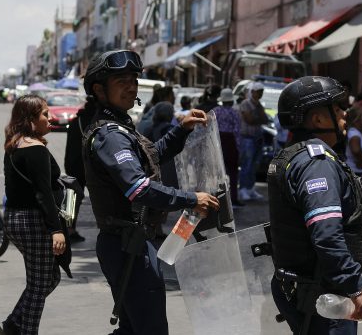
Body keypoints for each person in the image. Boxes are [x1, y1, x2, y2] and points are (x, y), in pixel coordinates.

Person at [81, 49, 219, 335]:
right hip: (127, 246)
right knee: (150, 329)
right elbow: (139, 188)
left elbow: (150, 155)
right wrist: (192, 199)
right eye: (122, 81)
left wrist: (181, 130)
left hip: (133, 242)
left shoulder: (120, 127)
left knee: (134, 329)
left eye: (133, 80)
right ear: (99, 89)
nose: (131, 87)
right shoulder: (111, 135)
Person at [268, 76, 362, 334]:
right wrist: (355, 287)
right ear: (317, 119)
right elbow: (326, 234)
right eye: (337, 109)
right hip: (324, 293)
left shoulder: (295, 154)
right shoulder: (317, 163)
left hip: (304, 285)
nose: (344, 115)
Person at [0, 95, 68, 335]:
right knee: (39, 285)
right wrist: (56, 229)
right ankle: (24, 330)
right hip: (32, 221)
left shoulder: (14, 144)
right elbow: (43, 193)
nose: (50, 119)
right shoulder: (35, 149)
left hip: (15, 220)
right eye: (45, 114)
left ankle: (14, 322)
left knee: (50, 278)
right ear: (30, 119)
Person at [63, 100, 96, 243]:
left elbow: (69, 145)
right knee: (101, 196)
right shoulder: (95, 122)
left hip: (73, 164)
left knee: (71, 198)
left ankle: (68, 228)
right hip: (90, 165)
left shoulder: (76, 120)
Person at [238, 82, 268, 202]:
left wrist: (258, 117)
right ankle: (243, 189)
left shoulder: (258, 104)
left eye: (261, 91)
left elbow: (264, 119)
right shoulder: (246, 103)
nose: (260, 94)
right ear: (252, 92)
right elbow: (249, 120)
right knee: (247, 164)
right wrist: (258, 118)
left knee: (254, 164)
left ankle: (250, 188)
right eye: (258, 91)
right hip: (247, 138)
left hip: (257, 137)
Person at [212, 88, 242, 207]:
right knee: (233, 173)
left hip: (218, 143)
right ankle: (234, 198)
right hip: (231, 144)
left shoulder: (215, 111)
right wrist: (238, 149)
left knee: (217, 173)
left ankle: (216, 198)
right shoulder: (235, 113)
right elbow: (237, 132)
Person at [345, 106, 362, 176]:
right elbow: (356, 150)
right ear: (358, 121)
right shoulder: (354, 135)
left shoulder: (356, 132)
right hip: (358, 173)